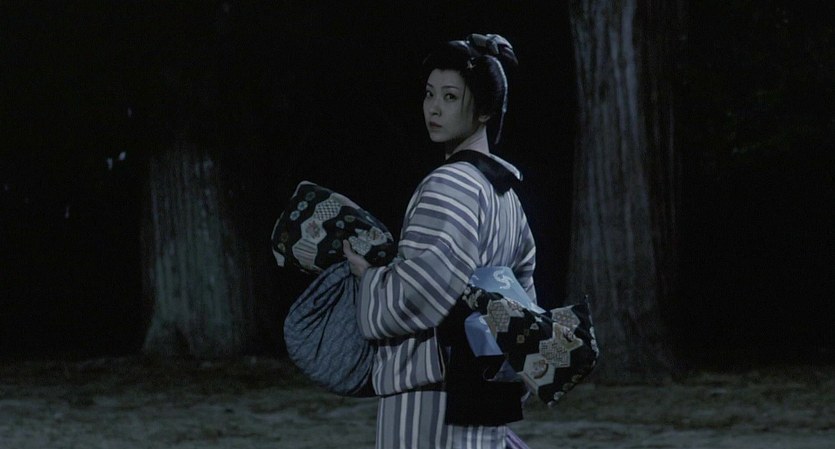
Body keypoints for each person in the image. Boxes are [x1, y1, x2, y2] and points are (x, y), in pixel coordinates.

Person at [343, 33, 536, 449]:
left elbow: (422, 290)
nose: (433, 108)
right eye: (430, 94)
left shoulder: (449, 184)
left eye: (450, 97)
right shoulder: (507, 196)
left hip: (434, 395)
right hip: (487, 392)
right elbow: (524, 298)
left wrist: (370, 276)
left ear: (485, 110)